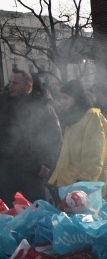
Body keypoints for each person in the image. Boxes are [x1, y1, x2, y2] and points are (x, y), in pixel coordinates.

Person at [0, 70, 62, 203]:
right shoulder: (3, 105)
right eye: (10, 82)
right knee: (7, 211)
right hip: (7, 169)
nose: (10, 86)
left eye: (15, 83)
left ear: (28, 87)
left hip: (34, 169)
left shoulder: (43, 108)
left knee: (35, 210)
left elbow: (55, 138)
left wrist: (47, 163)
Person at [48, 80, 107, 194]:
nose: (62, 101)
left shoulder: (91, 117)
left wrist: (84, 181)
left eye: (66, 97)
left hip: (84, 186)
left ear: (76, 98)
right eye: (60, 97)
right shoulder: (71, 119)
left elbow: (94, 154)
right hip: (69, 182)